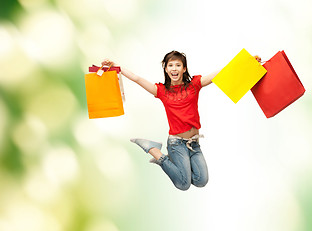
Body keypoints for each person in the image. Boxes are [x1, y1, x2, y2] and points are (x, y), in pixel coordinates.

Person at [102, 51, 261, 191]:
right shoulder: (162, 91)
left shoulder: (194, 85)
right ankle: (155, 152)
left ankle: (173, 165)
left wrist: (247, 63)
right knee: (183, 184)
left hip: (194, 144)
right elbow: (137, 78)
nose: (174, 68)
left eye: (178, 65)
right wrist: (117, 67)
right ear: (166, 69)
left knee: (201, 181)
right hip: (176, 144)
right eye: (170, 65)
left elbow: (219, 74)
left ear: (184, 69)